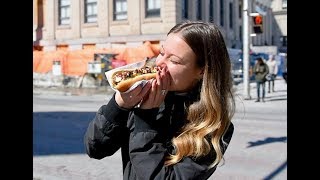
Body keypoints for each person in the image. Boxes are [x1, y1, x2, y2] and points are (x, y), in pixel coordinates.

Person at [83, 21, 235, 180]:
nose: (160, 63)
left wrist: (146, 121)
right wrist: (118, 106)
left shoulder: (213, 125)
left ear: (202, 71)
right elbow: (96, 149)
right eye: (162, 53)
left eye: (174, 61)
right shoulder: (141, 93)